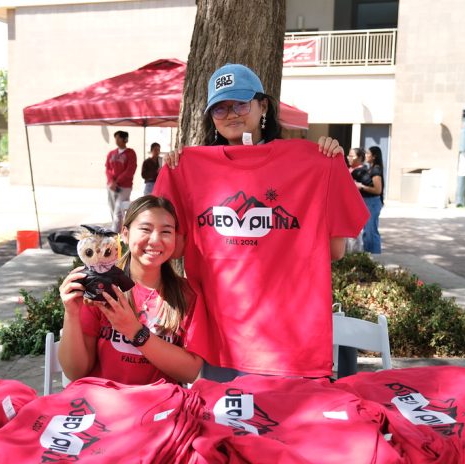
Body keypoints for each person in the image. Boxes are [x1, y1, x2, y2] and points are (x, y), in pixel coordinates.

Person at [153, 63, 368, 381]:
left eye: (240, 103)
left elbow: (335, 251)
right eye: (220, 108)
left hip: (287, 346)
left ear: (263, 104)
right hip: (217, 338)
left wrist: (328, 162)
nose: (231, 114)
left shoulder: (314, 163)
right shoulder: (186, 168)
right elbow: (172, 247)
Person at [57, 195, 203, 385]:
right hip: (103, 406)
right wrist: (71, 313)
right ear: (124, 234)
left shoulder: (187, 294)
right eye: (145, 229)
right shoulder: (101, 286)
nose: (155, 240)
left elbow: (191, 372)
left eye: (166, 231)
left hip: (160, 409)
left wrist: (135, 332)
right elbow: (75, 372)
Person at [105, 130, 137, 232]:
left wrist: (117, 181)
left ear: (125, 139)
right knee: (112, 209)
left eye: (118, 138)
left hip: (124, 187)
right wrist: (111, 181)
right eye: (115, 138)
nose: (116, 140)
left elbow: (130, 170)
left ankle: (114, 234)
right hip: (111, 186)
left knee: (119, 211)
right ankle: (118, 230)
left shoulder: (130, 153)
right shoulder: (111, 153)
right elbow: (107, 168)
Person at [356, 146, 384, 254]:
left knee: (371, 231)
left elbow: (378, 190)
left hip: (372, 202)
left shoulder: (376, 169)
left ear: (374, 156)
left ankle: (374, 257)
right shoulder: (370, 168)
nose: (366, 155)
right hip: (368, 202)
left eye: (368, 153)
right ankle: (368, 254)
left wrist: (361, 186)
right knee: (367, 231)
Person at [346, 147, 367, 253]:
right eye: (348, 155)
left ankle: (355, 256)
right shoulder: (349, 170)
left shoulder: (362, 172)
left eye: (351, 155)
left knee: (355, 235)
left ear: (359, 158)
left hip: (355, 208)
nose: (349, 158)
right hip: (346, 208)